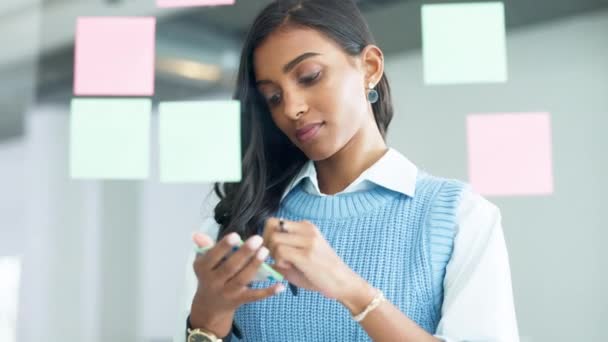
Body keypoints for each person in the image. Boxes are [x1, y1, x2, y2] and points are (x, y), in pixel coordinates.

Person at [175, 0, 519, 341]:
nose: (292, 108)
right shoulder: (238, 226)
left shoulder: (459, 217)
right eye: (273, 97)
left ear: (369, 67)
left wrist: (347, 287)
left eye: (309, 77)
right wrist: (208, 318)